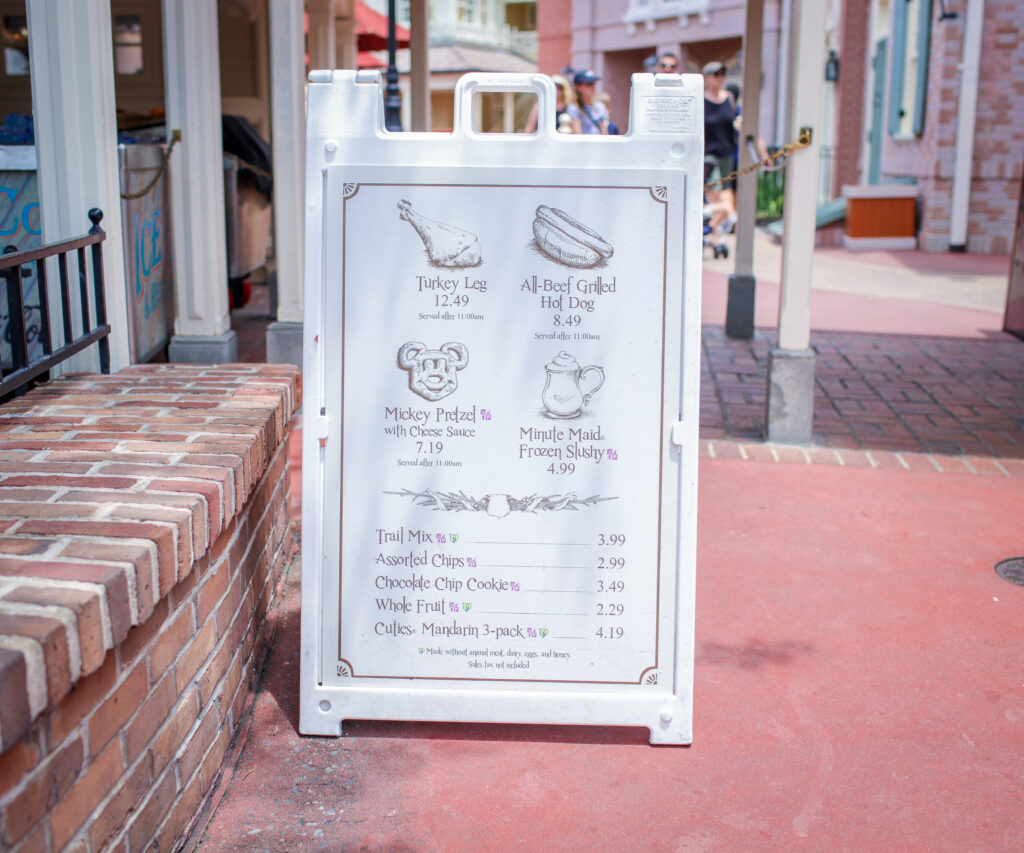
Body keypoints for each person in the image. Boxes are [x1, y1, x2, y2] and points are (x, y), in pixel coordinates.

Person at [702, 61, 737, 244]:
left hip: (727, 152)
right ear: (707, 78)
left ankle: (715, 229)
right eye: (716, 74)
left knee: (727, 193)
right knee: (715, 193)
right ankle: (715, 231)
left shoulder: (729, 98)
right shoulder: (701, 99)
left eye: (722, 74)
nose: (720, 78)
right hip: (707, 154)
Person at [567, 70, 609, 135]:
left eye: (593, 83)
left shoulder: (600, 106)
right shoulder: (574, 107)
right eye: (588, 84)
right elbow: (577, 135)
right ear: (578, 87)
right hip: (583, 144)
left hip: (599, 144)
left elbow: (605, 133)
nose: (592, 87)